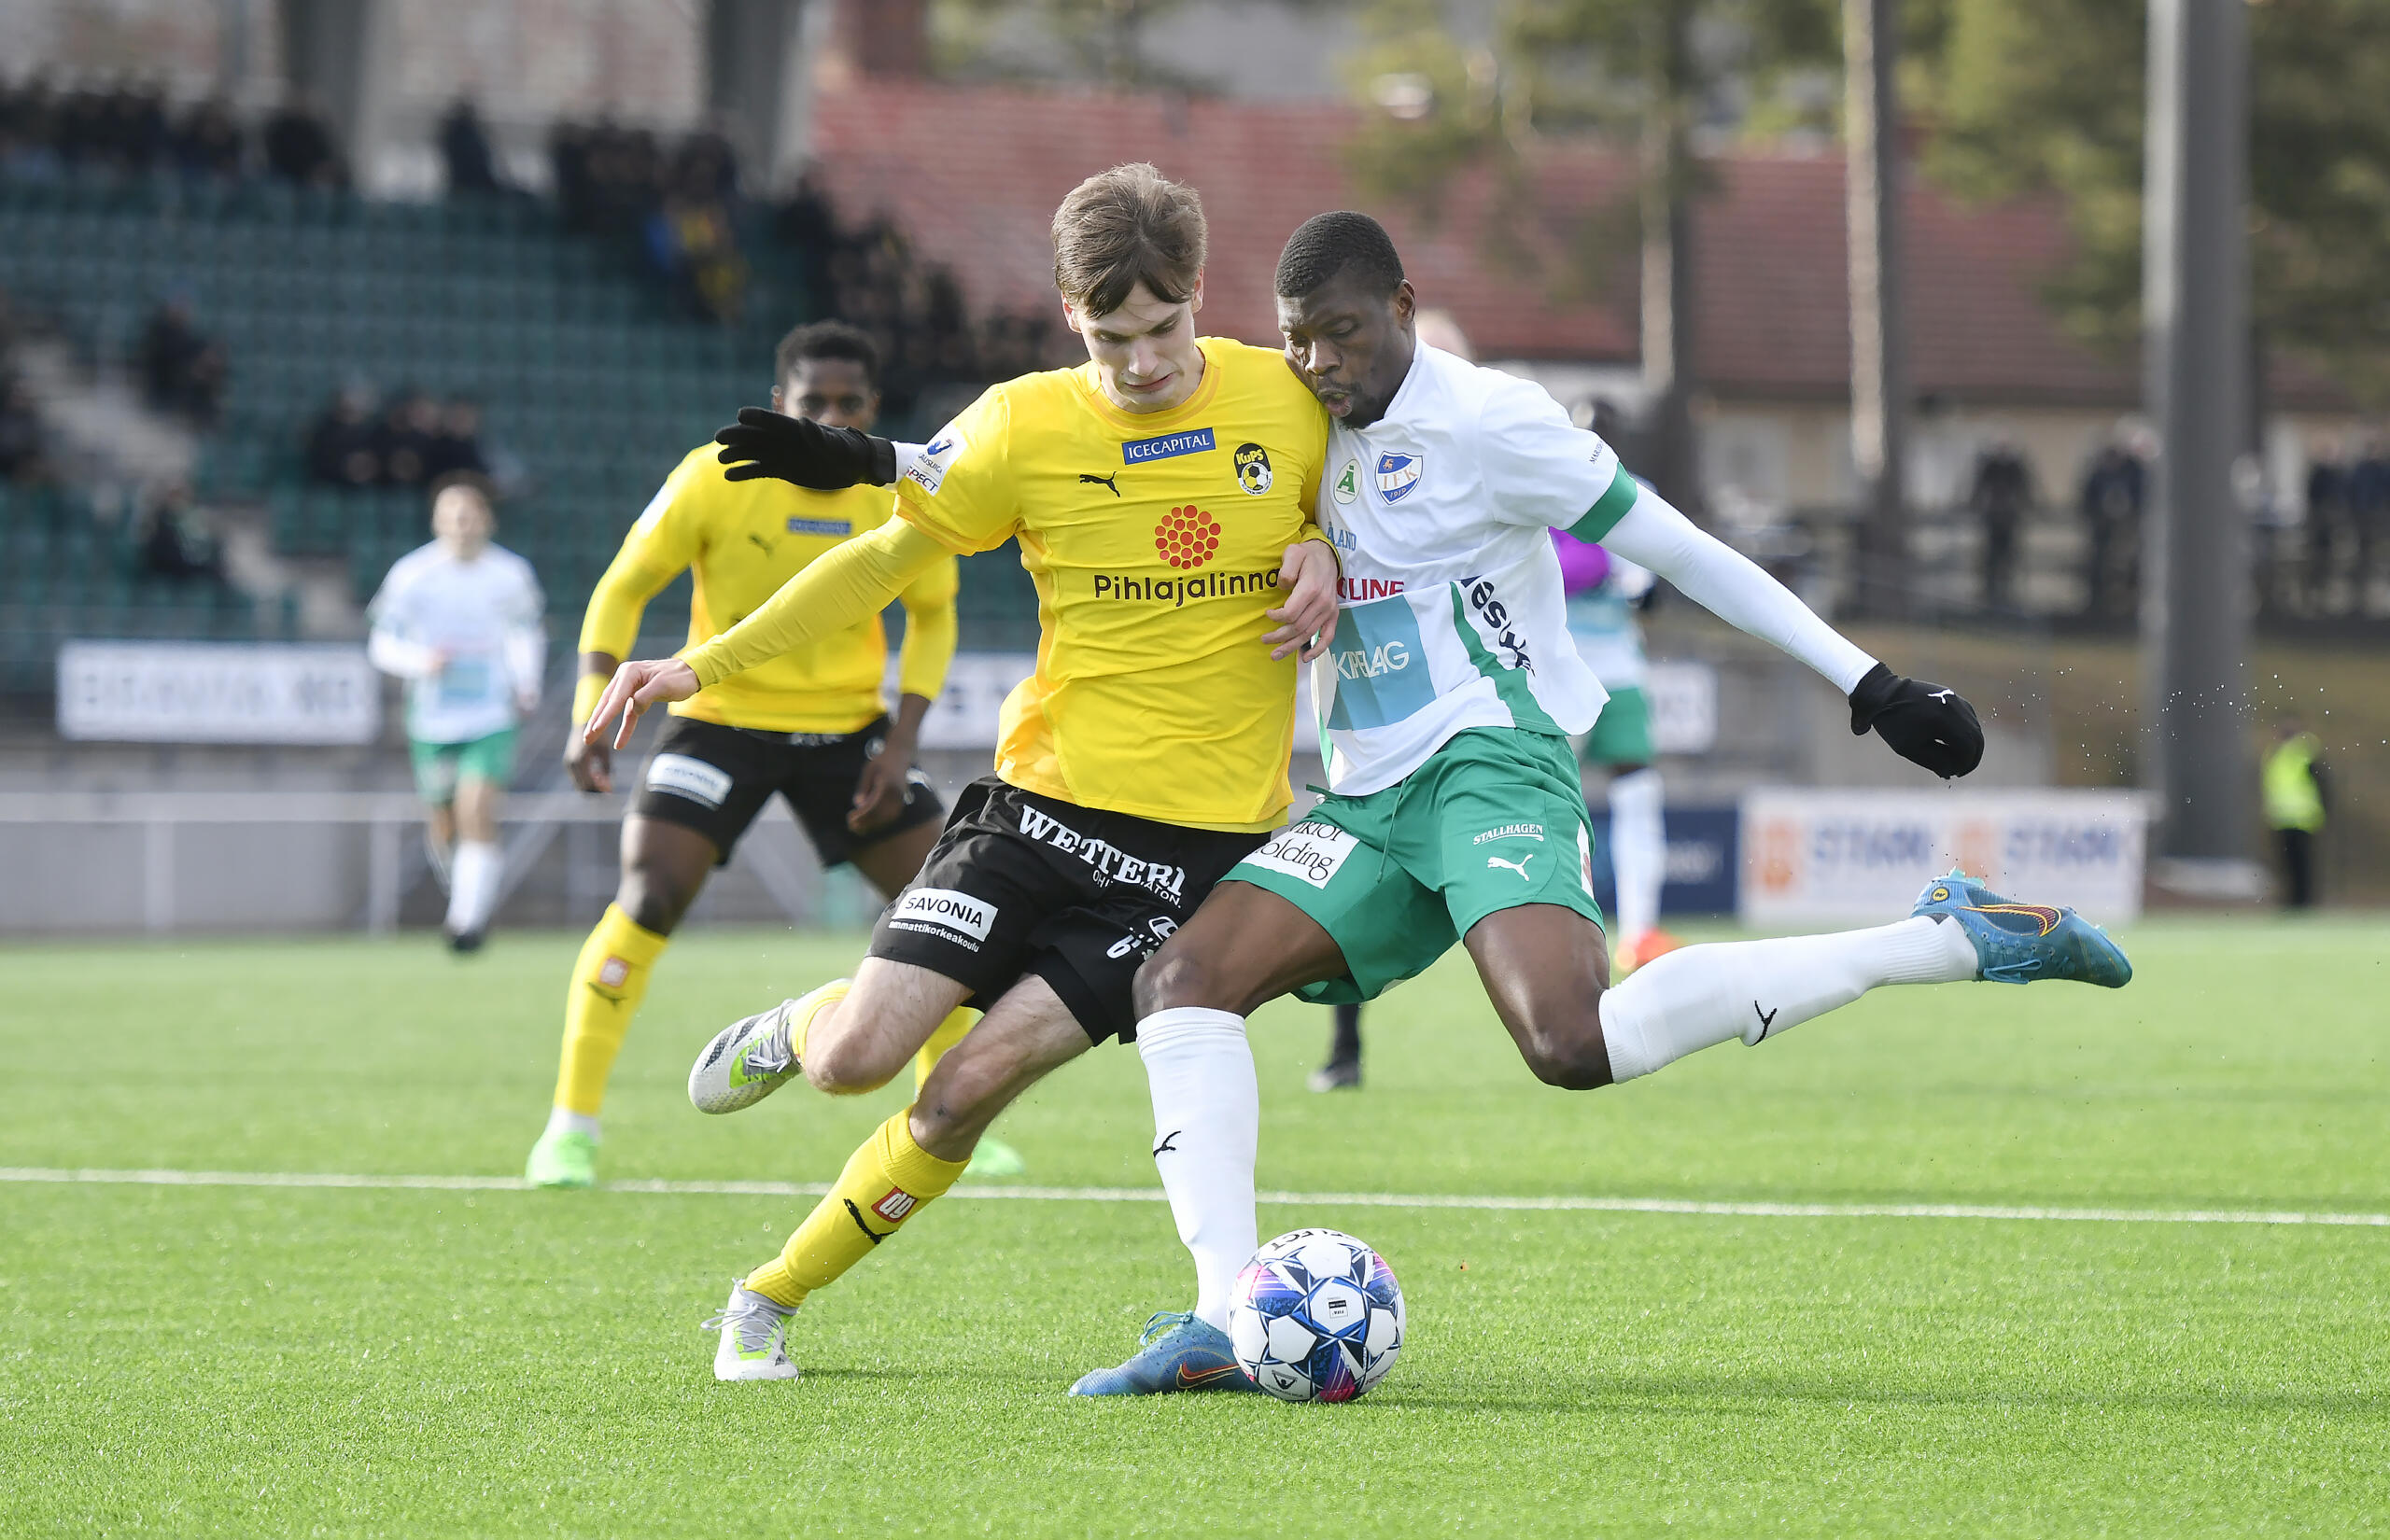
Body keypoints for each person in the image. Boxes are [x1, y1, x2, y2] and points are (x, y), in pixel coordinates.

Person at [1078, 212, 2131, 1396]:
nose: (1320, 362)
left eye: (1344, 333)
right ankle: (1217, 1316)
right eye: (1298, 341)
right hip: (1365, 796)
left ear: (1404, 308)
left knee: (1571, 1045)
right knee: (1180, 982)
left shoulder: (1494, 422)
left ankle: (1945, 938)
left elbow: (1683, 549)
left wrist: (1868, 683)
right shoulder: (1291, 410)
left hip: (1489, 761)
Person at [583, 162, 1341, 1382]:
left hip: (1189, 859)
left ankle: (766, 1297)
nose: (1141, 362)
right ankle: (804, 1021)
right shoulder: (1019, 426)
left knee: (963, 1094)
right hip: (1037, 812)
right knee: (854, 1064)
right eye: (1110, 337)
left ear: (1200, 291)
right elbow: (878, 563)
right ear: (1068, 313)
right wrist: (699, 663)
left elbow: (1379, 517)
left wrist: (1322, 546)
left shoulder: (1287, 402)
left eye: (1162, 328)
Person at [524, 321, 971, 1191]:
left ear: (874, 409)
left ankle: (949, 1119)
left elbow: (934, 614)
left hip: (849, 731)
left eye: (850, 404)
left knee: (945, 908)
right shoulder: (712, 474)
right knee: (650, 893)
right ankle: (570, 1128)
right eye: (814, 403)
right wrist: (589, 712)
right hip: (719, 720)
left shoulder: (900, 492)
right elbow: (622, 586)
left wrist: (901, 740)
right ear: (780, 405)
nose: (832, 418)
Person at [365, 472, 544, 952]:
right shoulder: (412, 575)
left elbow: (525, 633)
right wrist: (420, 662)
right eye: (453, 517)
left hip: (490, 712)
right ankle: (467, 888)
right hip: (433, 716)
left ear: (487, 520)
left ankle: (467, 921)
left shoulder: (511, 575)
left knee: (476, 807)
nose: (463, 525)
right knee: (444, 822)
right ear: (437, 522)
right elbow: (381, 643)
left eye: (471, 516)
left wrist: (527, 682)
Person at [1554, 525, 1678, 972]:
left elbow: (1650, 593)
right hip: (1559, 666)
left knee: (1640, 792)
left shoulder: (1636, 493)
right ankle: (1552, 927)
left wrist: (1636, 584)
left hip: (1621, 667)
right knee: (1552, 796)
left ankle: (1639, 933)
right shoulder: (1538, 492)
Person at [2263, 717, 2329, 909]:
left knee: (2302, 863)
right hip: (2282, 818)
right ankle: (2293, 901)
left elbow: (2322, 784)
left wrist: (2324, 810)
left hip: (2303, 818)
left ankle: (2303, 901)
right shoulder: (2277, 754)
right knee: (2288, 863)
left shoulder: (2304, 753)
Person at [1969, 434, 2034, 611]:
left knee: (2009, 558)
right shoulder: (1990, 466)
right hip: (1993, 519)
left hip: (2009, 520)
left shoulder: (2015, 467)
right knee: (1991, 558)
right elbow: (1978, 489)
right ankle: (1990, 593)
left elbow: (2025, 490)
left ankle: (2007, 593)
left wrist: (2024, 507)